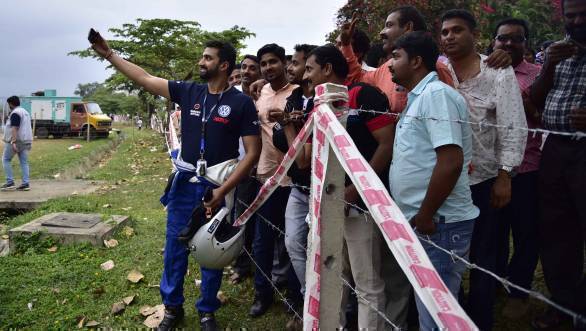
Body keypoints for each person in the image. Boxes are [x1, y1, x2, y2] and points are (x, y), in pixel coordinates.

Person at [89, 33, 261, 331]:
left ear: (224, 65)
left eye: (208, 58)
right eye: (202, 56)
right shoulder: (189, 92)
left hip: (216, 189)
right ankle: (172, 309)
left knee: (210, 249)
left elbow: (253, 153)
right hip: (184, 186)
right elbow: (145, 79)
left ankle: (207, 310)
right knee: (174, 249)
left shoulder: (242, 103)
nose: (201, 61)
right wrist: (109, 55)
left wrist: (223, 191)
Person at [440, 10, 527, 330]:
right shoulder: (437, 69)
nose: (449, 36)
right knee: (445, 256)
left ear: (474, 34)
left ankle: (480, 321)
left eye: (457, 30)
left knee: (483, 256)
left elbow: (513, 125)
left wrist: (505, 175)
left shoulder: (497, 71)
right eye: (445, 32)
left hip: (484, 178)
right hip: (444, 180)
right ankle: (451, 316)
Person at [388, 31, 479, 331]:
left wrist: (426, 214)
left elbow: (451, 162)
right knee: (432, 310)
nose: (389, 64)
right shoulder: (418, 98)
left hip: (439, 223)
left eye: (396, 56)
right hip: (427, 221)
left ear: (416, 61)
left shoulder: (436, 96)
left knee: (437, 316)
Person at [304, 44, 394, 330]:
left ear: (328, 69)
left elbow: (386, 145)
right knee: (334, 275)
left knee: (367, 280)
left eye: (310, 68)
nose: (306, 76)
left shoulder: (362, 95)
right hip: (329, 205)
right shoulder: (318, 105)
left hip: (360, 206)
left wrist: (355, 193)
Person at [530, 0, 586, 328]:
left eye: (583, 15)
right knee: (555, 232)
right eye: (571, 15)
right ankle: (564, 308)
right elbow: (536, 100)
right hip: (556, 150)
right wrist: (549, 64)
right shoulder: (557, 51)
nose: (577, 21)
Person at [491, 18, 543, 320]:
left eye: (516, 39)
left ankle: (519, 291)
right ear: (493, 41)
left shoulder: (538, 76)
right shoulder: (483, 70)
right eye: (503, 38)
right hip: (490, 168)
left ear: (526, 44)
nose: (509, 44)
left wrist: (525, 103)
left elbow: (547, 118)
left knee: (526, 233)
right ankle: (494, 280)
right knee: (493, 233)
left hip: (527, 168)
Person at [267, 43, 316, 331]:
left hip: (324, 190)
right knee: (293, 243)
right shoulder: (295, 97)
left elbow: (302, 159)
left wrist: (287, 125)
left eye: (297, 64)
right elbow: (282, 141)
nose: (290, 69)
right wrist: (288, 124)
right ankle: (308, 299)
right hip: (298, 188)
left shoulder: (325, 99)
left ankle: (334, 310)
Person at [250, 43, 300, 318]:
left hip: (291, 179)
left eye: (273, 62)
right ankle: (262, 294)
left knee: (292, 242)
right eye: (264, 64)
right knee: (262, 242)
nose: (268, 68)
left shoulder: (297, 93)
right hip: (264, 177)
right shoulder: (260, 92)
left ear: (284, 63)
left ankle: (294, 299)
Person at [2, 96, 32, 191]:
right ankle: (25, 183)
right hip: (26, 140)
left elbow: (15, 128)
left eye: (8, 104)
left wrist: (13, 141)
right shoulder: (25, 112)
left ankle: (10, 182)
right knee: (24, 162)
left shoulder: (15, 113)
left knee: (6, 159)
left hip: (17, 141)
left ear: (11, 104)